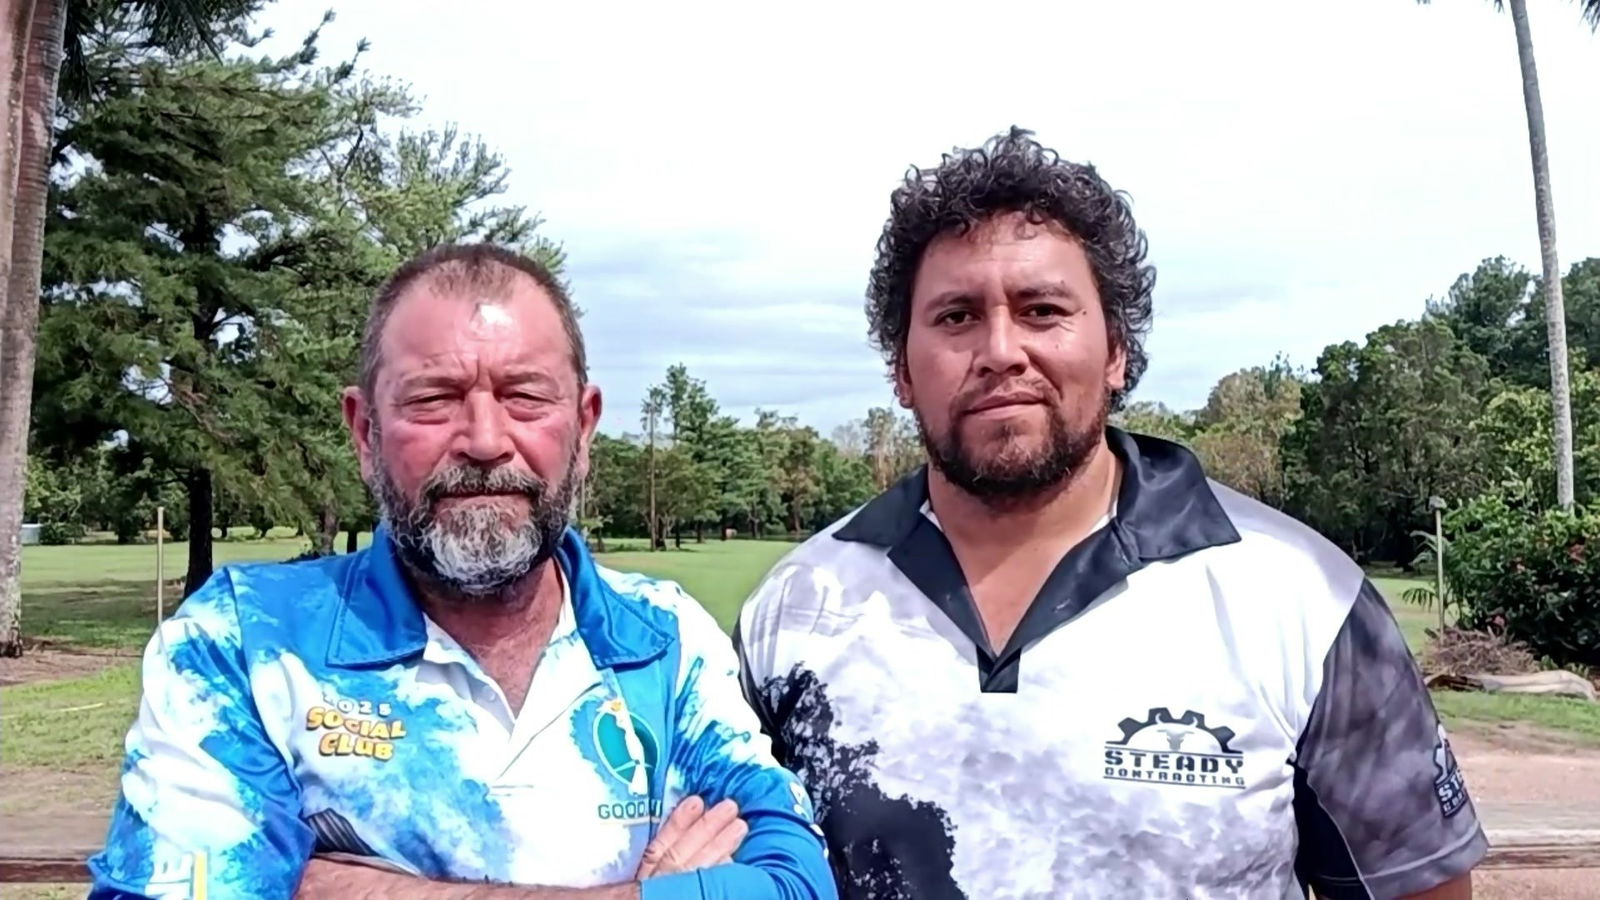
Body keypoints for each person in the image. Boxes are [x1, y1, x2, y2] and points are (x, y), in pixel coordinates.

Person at [735, 128, 1486, 899]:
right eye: (956, 317)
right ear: (900, 367)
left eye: (1042, 309)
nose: (1000, 349)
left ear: (1117, 349)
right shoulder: (798, 608)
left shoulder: (1300, 597)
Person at [89, 244, 835, 900]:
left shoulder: (666, 642)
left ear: (583, 426)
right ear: (363, 429)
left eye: (524, 396)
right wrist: (650, 893)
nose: (484, 440)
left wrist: (326, 883)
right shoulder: (243, 642)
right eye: (434, 399)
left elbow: (795, 883)